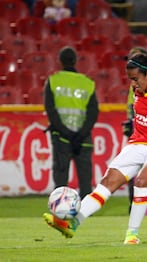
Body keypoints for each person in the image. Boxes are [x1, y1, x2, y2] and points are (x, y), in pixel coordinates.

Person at [43, 52, 147, 245]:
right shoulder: (137, 90)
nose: (133, 84)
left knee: (141, 181)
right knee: (108, 182)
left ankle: (132, 235)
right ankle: (73, 223)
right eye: (130, 79)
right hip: (138, 143)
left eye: (135, 79)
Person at [44, 46, 99, 199]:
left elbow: (51, 110)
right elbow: (93, 113)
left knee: (61, 179)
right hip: (83, 139)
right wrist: (80, 135)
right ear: (75, 61)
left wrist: (65, 132)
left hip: (61, 138)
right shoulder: (88, 83)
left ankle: (60, 213)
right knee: (85, 180)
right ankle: (86, 212)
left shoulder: (53, 81)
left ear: (60, 62)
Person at [122, 47, 147, 214]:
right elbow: (131, 107)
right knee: (134, 170)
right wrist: (128, 123)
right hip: (136, 131)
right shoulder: (134, 84)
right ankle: (134, 205)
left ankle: (140, 205)